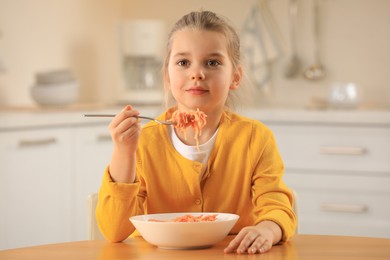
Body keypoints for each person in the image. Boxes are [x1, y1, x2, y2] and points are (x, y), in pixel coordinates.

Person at [96, 10, 296, 255]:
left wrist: (267, 229)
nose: (197, 73)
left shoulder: (255, 138)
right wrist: (124, 152)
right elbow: (114, 230)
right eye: (183, 62)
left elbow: (276, 206)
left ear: (235, 76)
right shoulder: (145, 141)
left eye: (212, 62)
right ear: (167, 77)